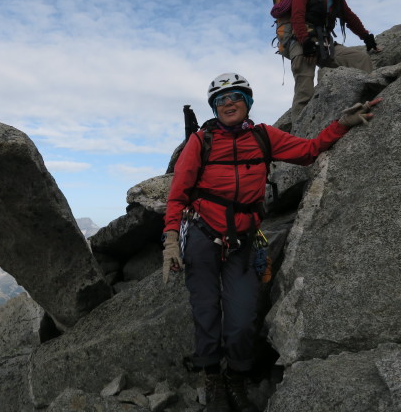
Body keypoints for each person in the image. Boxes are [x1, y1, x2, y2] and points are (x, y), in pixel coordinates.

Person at [161, 72, 380, 412]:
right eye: (220, 100)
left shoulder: (263, 136)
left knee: (242, 316)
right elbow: (177, 196)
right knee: (205, 312)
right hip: (203, 235)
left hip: (244, 240)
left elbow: (308, 151)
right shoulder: (200, 141)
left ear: (247, 102)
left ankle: (235, 376)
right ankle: (212, 378)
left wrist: (343, 123)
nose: (228, 104)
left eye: (235, 97)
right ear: (214, 107)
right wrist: (171, 241)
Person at [287, 0, 381, 124]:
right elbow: (296, 15)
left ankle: (368, 103)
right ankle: (298, 133)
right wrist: (304, 41)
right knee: (304, 90)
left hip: (325, 43)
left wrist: (367, 37)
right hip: (302, 41)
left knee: (360, 59)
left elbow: (350, 17)